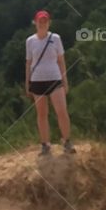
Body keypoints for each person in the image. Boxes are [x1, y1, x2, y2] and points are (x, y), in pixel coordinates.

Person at [25, 9, 75, 156]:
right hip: (37, 80)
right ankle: (45, 144)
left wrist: (65, 81)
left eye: (45, 21)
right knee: (42, 114)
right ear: (35, 23)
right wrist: (27, 83)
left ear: (49, 23)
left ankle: (66, 141)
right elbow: (28, 63)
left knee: (62, 111)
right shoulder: (30, 41)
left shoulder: (56, 38)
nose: (42, 24)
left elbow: (61, 61)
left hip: (55, 78)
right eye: (40, 21)